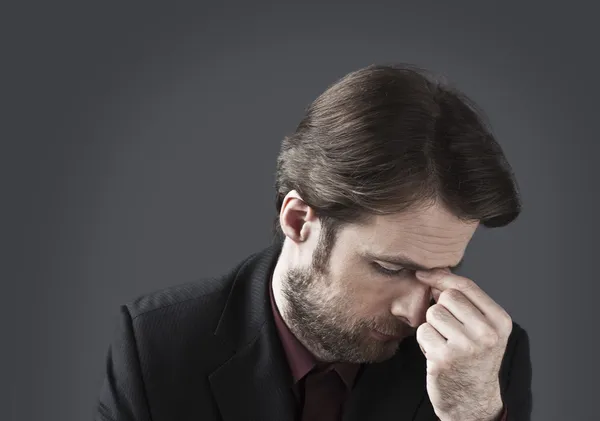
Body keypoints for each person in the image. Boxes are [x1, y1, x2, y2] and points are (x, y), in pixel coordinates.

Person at [94, 64, 532, 421]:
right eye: (390, 268)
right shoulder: (158, 347)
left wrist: (473, 415)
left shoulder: (481, 363)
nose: (417, 312)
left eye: (442, 272)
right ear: (299, 219)